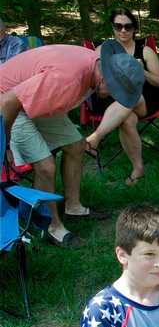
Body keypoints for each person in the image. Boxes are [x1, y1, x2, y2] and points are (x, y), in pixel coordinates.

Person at [0, 41, 144, 247]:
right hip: (6, 102)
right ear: (105, 77)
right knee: (45, 165)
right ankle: (51, 227)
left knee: (76, 145)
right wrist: (3, 145)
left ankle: (73, 206)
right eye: (114, 91)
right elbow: (7, 102)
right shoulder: (66, 79)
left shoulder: (94, 65)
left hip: (28, 97)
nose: (113, 96)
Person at [87, 8, 159, 186]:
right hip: (110, 100)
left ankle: (95, 139)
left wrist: (141, 71)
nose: (123, 30)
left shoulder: (144, 51)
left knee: (131, 96)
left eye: (128, 27)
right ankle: (138, 169)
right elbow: (95, 83)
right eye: (118, 26)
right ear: (112, 28)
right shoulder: (103, 50)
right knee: (127, 119)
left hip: (144, 99)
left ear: (134, 29)